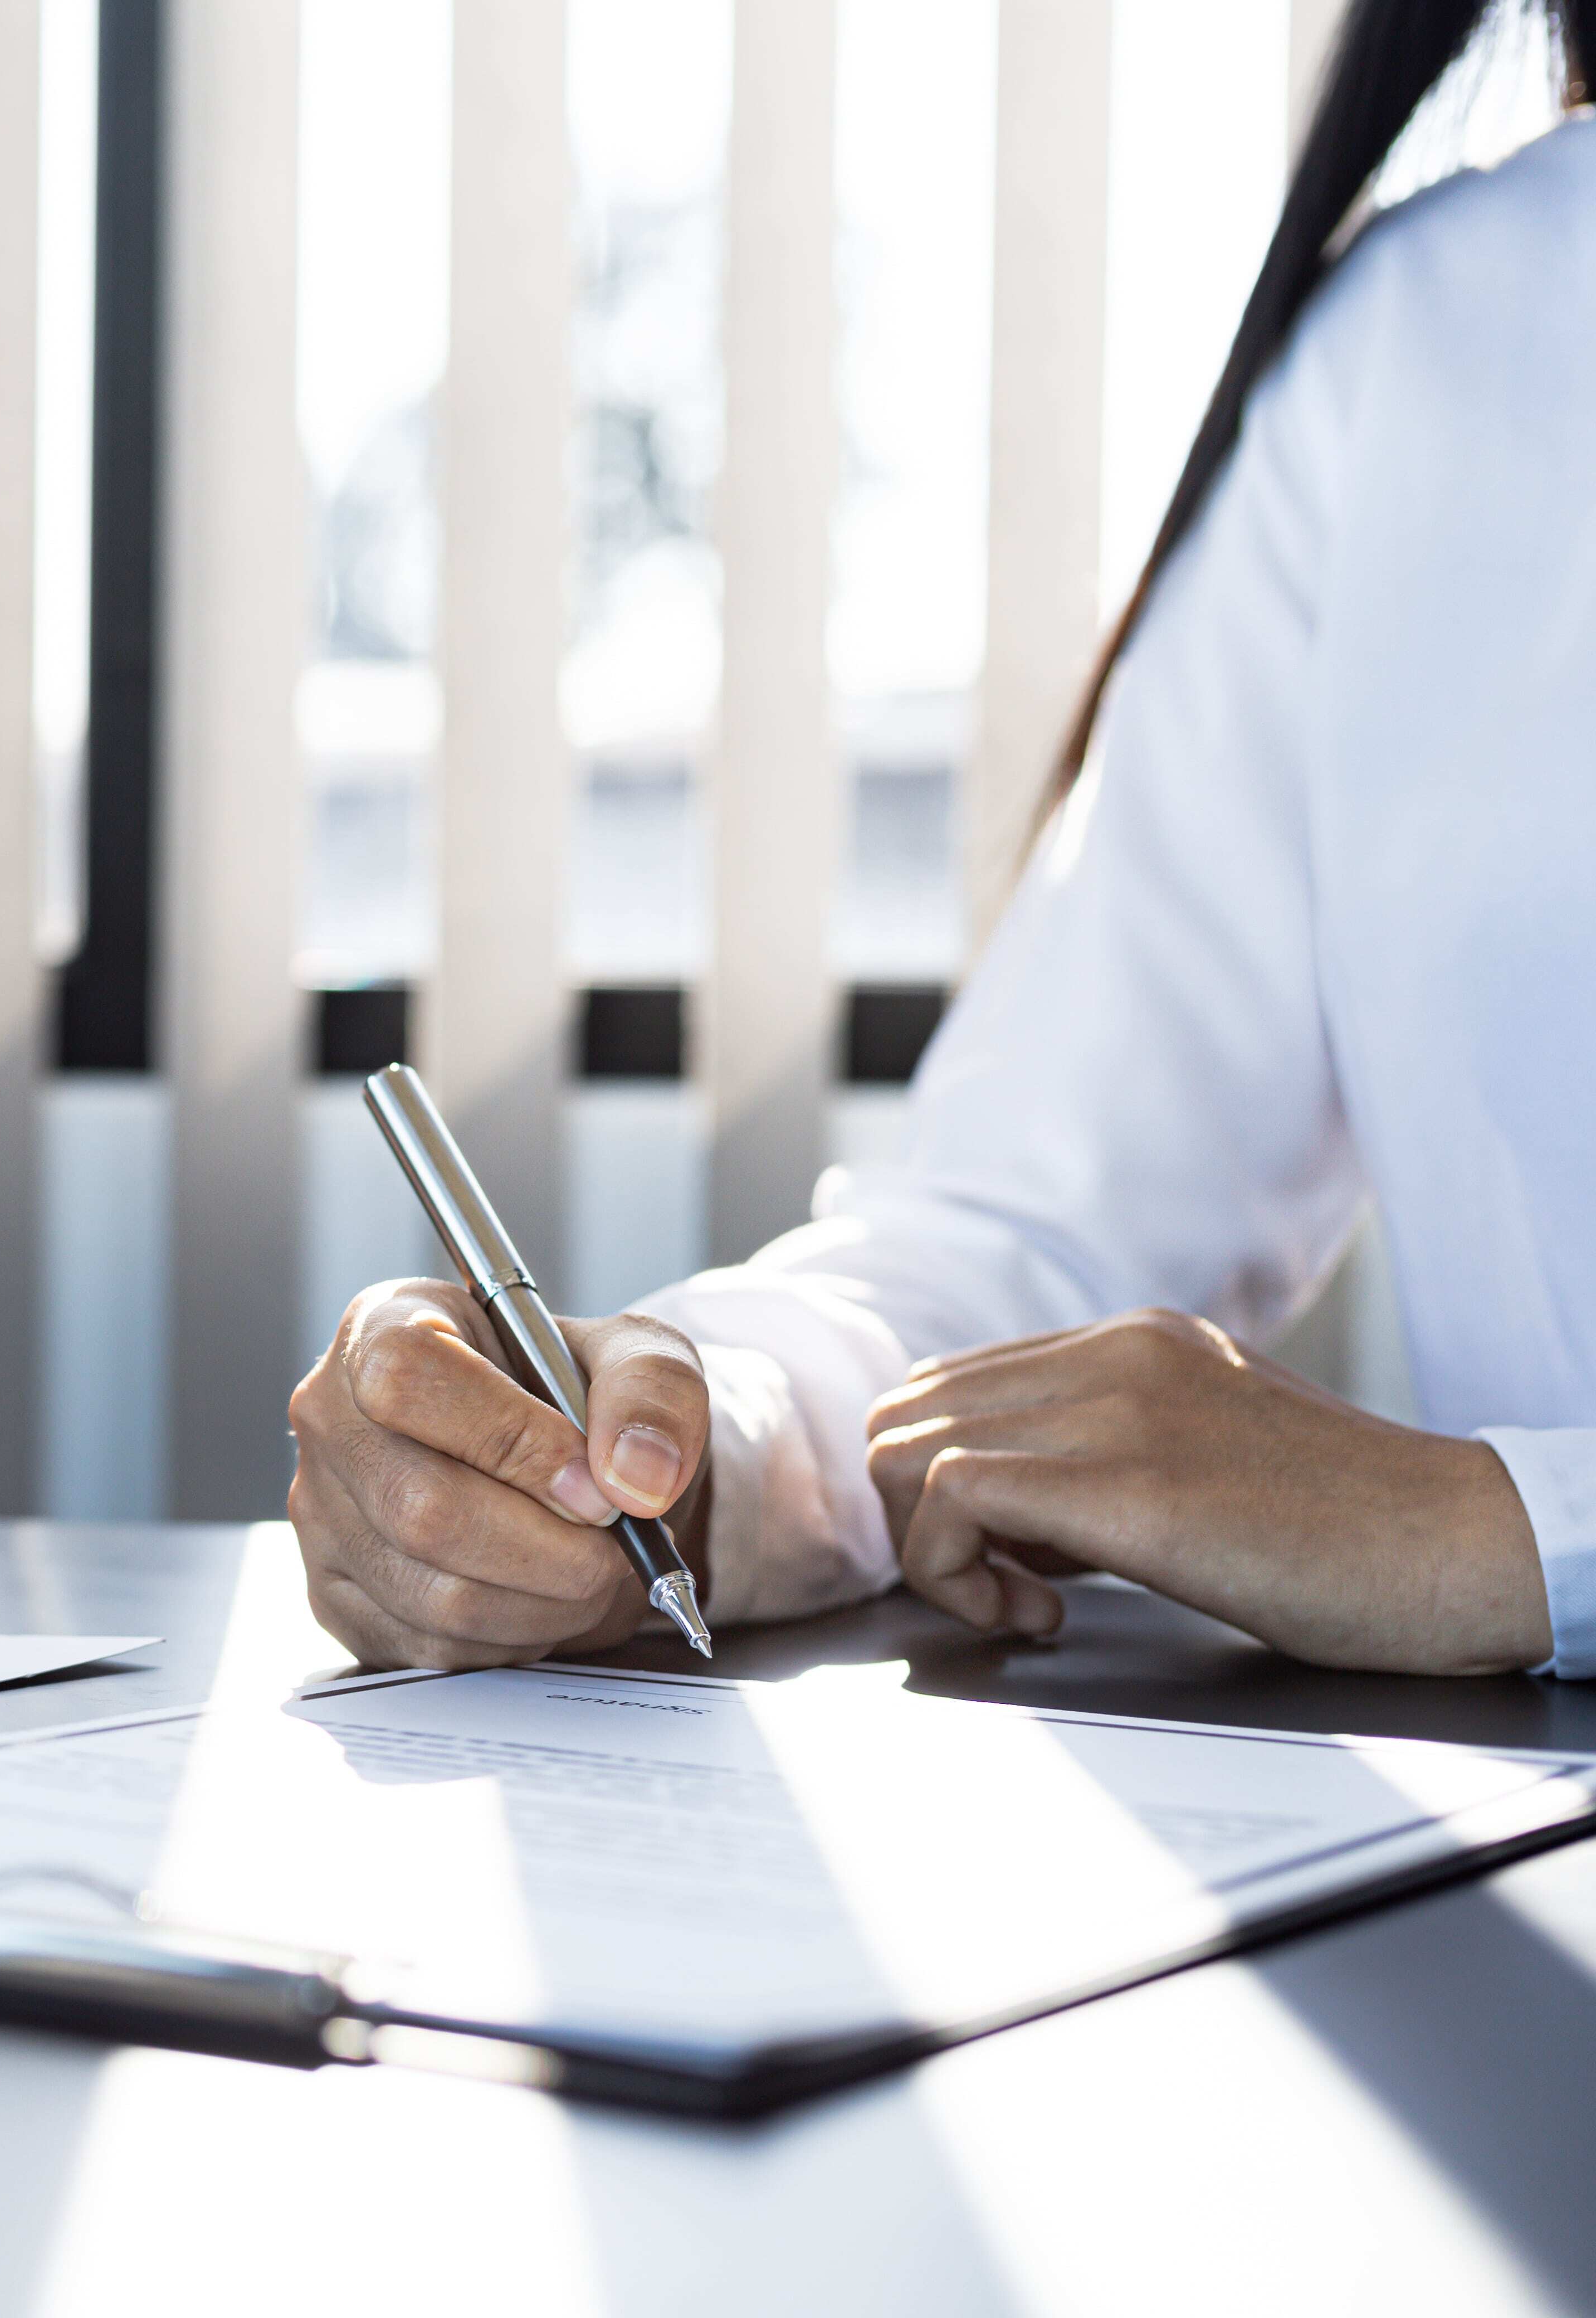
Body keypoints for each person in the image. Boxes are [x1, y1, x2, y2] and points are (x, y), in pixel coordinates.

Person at [290, 0, 1596, 1684]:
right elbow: (1034, 1239)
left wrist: (1511, 1536)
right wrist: (674, 1455)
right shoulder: (1428, 341)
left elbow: (1475, 1533)